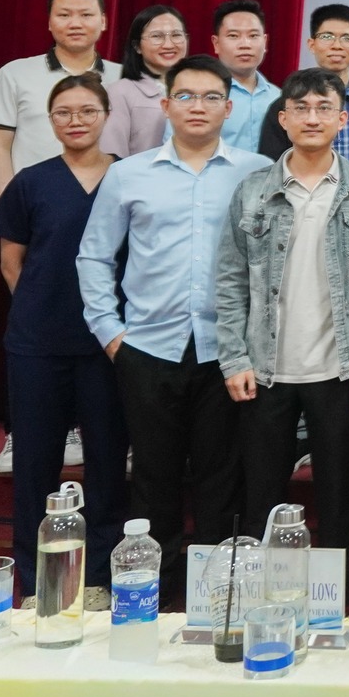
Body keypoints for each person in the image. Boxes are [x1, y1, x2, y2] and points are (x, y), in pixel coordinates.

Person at [76, 55, 271, 592]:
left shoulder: (256, 171)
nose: (197, 107)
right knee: (153, 478)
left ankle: (212, 598)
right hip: (147, 349)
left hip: (228, 352)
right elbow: (94, 256)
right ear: (165, 105)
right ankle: (152, 598)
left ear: (229, 108)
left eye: (211, 97)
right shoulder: (128, 174)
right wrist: (111, 334)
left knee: (221, 477)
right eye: (185, 96)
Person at [215, 67, 349, 604]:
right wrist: (234, 358)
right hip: (265, 369)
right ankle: (262, 601)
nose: (313, 118)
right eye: (301, 109)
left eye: (324, 108)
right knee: (262, 492)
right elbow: (230, 280)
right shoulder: (253, 191)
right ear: (283, 119)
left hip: (338, 367)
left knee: (338, 496)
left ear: (342, 119)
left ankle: (338, 606)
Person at [0, 72, 129, 603]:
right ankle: (36, 581)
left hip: (108, 346)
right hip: (37, 344)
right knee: (35, 466)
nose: (76, 121)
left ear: (106, 116)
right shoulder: (31, 181)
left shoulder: (130, 177)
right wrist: (44, 309)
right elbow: (11, 262)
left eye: (87, 111)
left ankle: (99, 579)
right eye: (64, 113)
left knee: (108, 463)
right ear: (50, 121)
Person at [0, 0, 119, 198]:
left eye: (86, 15)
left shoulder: (126, 78)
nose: (75, 24)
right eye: (64, 15)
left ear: (103, 21)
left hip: (111, 201)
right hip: (35, 202)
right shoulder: (15, 74)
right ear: (49, 22)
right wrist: (11, 206)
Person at [257, 5, 349, 165]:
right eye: (327, 37)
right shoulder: (285, 104)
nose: (337, 45)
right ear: (311, 45)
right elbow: (272, 164)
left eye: (347, 38)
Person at [99, 4, 187, 159]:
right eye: (157, 36)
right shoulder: (120, 92)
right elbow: (112, 155)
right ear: (137, 46)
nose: (168, 44)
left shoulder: (198, 88)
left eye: (176, 35)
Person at [210, 0, 281, 151]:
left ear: (265, 42)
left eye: (253, 36)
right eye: (233, 36)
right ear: (216, 44)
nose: (245, 44)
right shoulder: (200, 97)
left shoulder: (278, 97)